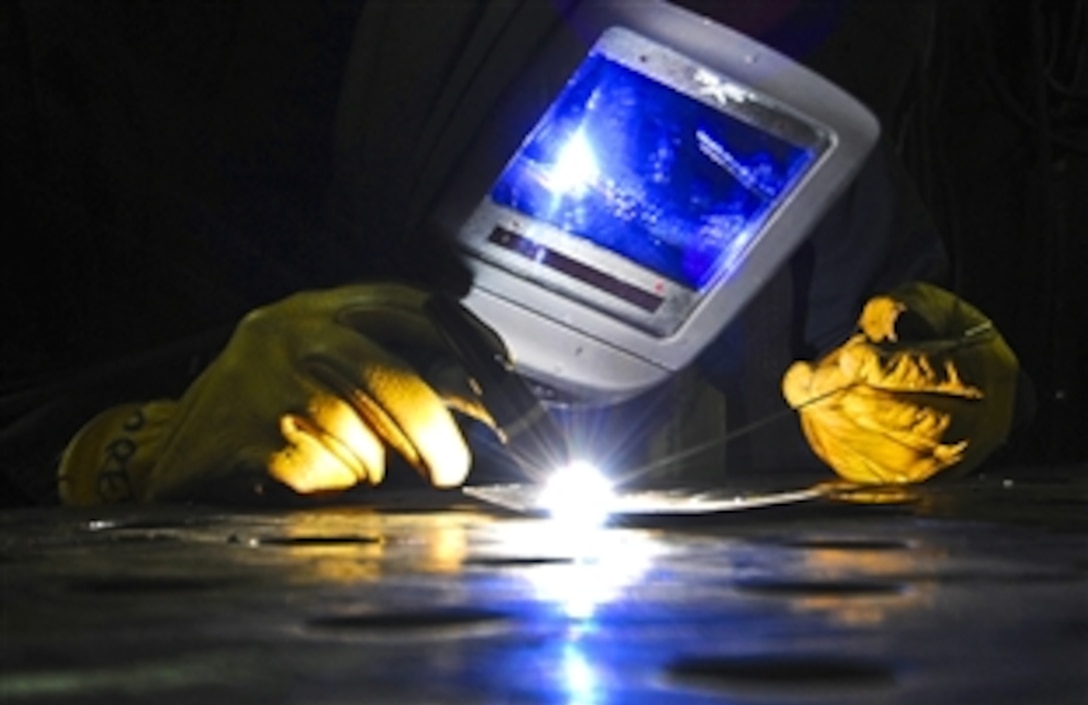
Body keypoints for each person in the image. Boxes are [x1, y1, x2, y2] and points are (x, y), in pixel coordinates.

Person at [0, 0, 1026, 507]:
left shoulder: (793, 73)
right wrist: (134, 438)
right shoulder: (216, 48)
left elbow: (875, 325)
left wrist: (935, 395)